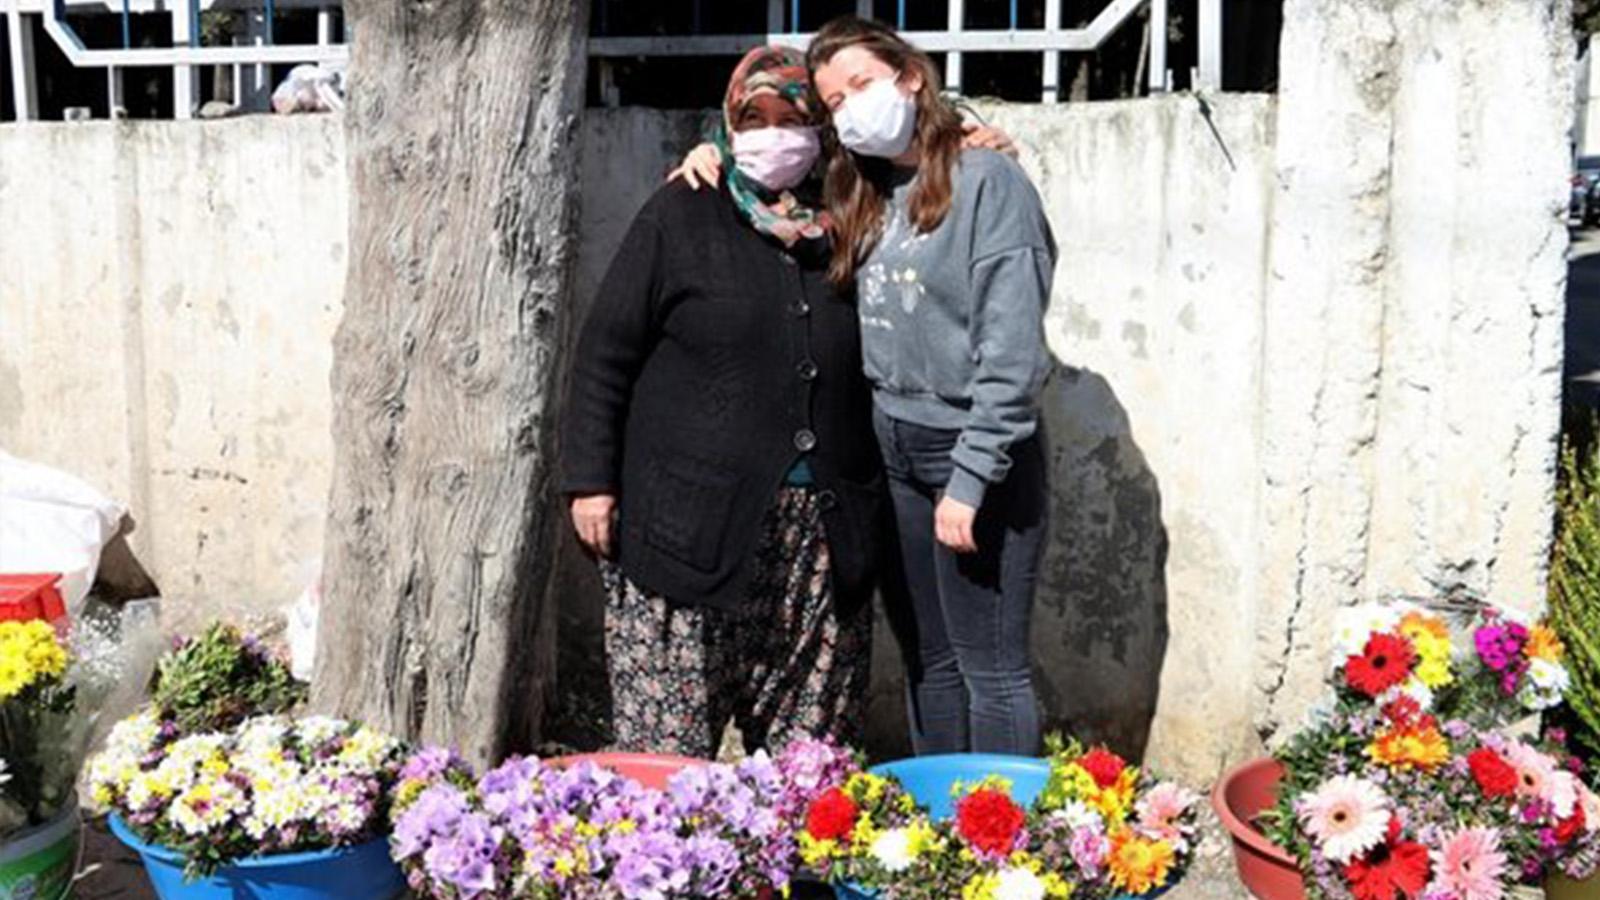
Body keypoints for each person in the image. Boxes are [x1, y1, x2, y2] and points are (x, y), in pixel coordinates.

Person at [675, 17, 1056, 756]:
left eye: (862, 84)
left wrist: (972, 479)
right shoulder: (860, 191)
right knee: (930, 659)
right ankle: (939, 839)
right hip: (896, 452)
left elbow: (1011, 355)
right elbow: (766, 170)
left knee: (991, 666)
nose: (851, 107)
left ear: (910, 76)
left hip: (974, 453)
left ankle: (1006, 849)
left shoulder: (989, 183)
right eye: (835, 100)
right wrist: (708, 150)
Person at [560, 46, 883, 758]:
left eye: (791, 117)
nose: (772, 135)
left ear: (821, 127)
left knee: (809, 765)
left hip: (822, 541)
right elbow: (607, 350)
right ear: (728, 125)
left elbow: (933, 154)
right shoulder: (684, 208)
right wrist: (590, 481)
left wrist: (976, 135)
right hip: (687, 527)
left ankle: (795, 875)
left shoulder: (854, 214)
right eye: (753, 118)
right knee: (666, 765)